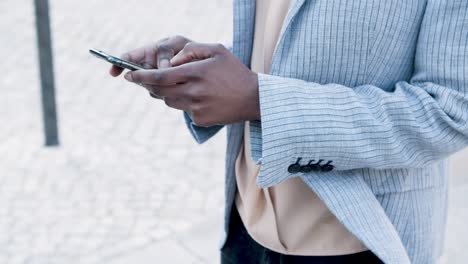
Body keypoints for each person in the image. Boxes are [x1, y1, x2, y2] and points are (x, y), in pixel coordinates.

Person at [110, 0, 468, 263]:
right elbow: (279, 43)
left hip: (360, 239)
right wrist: (200, 70)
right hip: (243, 227)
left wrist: (259, 100)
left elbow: (450, 109)